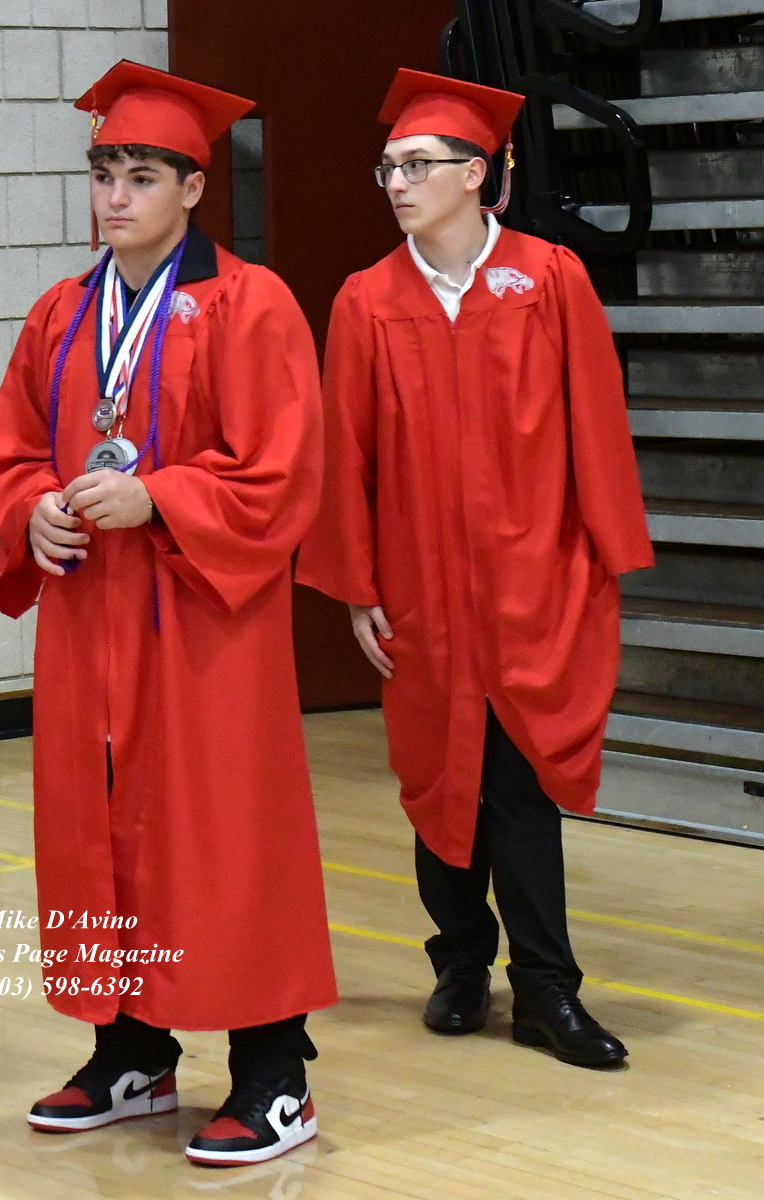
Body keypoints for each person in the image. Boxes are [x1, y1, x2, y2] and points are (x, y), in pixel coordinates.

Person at [0, 60, 337, 1167]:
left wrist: (162, 497)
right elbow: (12, 451)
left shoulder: (249, 302)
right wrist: (32, 511)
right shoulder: (62, 311)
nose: (116, 196)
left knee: (222, 835)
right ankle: (129, 1049)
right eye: (103, 175)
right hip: (90, 619)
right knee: (97, 830)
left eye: (141, 176)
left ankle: (274, 1073)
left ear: (192, 188)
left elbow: (283, 468)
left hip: (201, 620)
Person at [297, 69, 653, 1068]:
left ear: (477, 172)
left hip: (532, 581)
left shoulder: (549, 279)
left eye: (417, 165)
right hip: (420, 591)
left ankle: (544, 988)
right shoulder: (368, 300)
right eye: (388, 167)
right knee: (437, 782)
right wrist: (357, 587)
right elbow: (344, 454)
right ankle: (459, 965)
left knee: (517, 785)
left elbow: (596, 426)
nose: (396, 183)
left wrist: (601, 562)